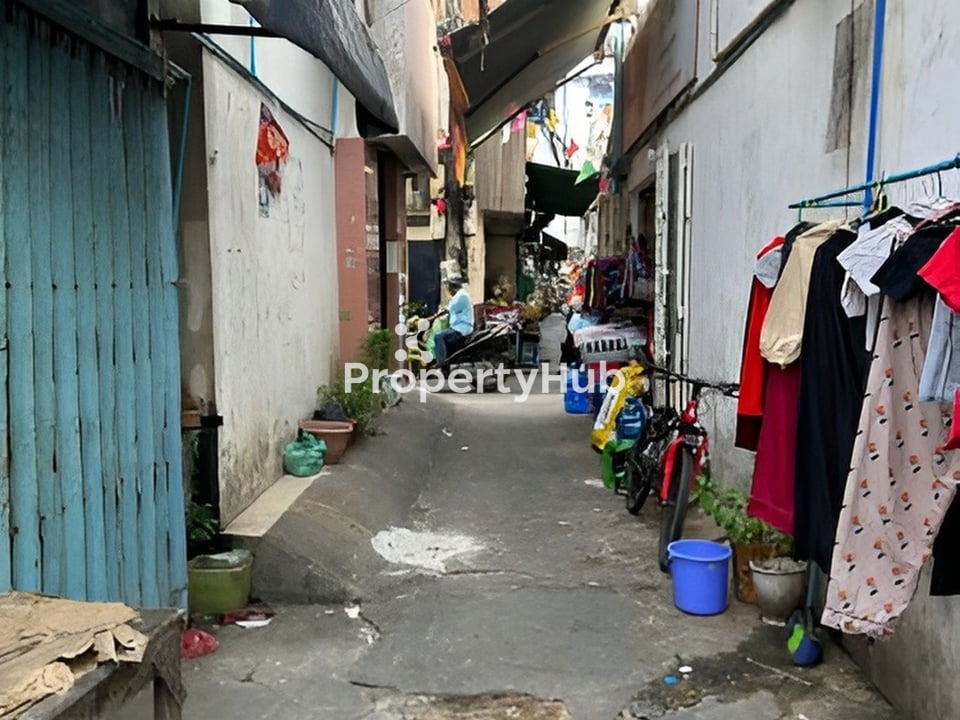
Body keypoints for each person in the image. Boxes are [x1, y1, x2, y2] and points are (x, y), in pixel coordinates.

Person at [427, 276, 474, 365]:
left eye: (448, 287)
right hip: (458, 326)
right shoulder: (460, 295)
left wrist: (431, 318)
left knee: (438, 336)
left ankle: (442, 364)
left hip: (461, 328)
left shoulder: (461, 296)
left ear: (452, 287)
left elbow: (446, 310)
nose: (448, 290)